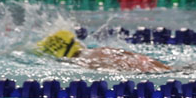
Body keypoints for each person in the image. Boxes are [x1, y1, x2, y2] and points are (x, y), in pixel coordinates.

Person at [36, 30, 170, 73]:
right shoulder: (99, 49)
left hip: (141, 72)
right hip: (154, 66)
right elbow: (131, 55)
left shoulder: (83, 63)